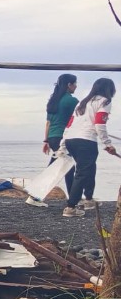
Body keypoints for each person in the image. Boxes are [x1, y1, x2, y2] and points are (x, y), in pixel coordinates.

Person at [62, 78, 117, 217]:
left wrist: (63, 143)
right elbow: (99, 124)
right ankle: (70, 207)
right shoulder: (105, 101)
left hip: (71, 139)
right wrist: (107, 144)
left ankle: (88, 199)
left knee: (90, 168)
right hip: (86, 141)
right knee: (82, 172)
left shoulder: (82, 102)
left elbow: (70, 123)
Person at [27, 74, 79, 207]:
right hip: (63, 138)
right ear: (69, 85)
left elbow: (48, 123)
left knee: (56, 167)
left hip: (53, 137)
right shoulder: (72, 101)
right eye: (75, 84)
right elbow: (79, 119)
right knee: (67, 168)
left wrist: (46, 141)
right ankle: (73, 202)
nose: (76, 86)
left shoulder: (54, 100)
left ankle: (35, 197)